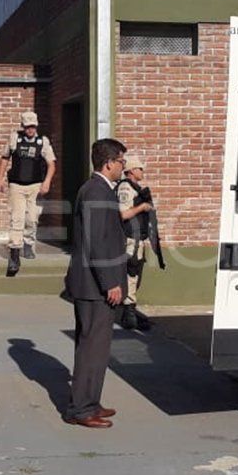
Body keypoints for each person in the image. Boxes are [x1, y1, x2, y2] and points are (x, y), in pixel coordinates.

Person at [62, 138, 129, 428]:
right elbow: (97, 242)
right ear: (109, 163)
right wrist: (110, 282)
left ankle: (90, 401)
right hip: (94, 286)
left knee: (96, 348)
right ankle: (81, 409)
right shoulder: (96, 191)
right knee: (92, 347)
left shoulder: (100, 189)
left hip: (94, 283)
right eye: (121, 161)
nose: (123, 166)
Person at [0, 111, 56, 276]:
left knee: (31, 219)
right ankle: (14, 255)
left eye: (33, 126)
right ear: (23, 126)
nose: (30, 130)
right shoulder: (15, 138)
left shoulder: (42, 142)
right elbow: (4, 158)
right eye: (27, 126)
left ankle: (29, 242)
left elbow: (51, 163)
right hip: (16, 185)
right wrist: (0, 178)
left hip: (35, 185)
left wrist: (47, 182)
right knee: (17, 219)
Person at [116, 156, 155, 331]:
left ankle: (130, 309)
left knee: (135, 274)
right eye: (140, 168)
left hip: (138, 238)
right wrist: (142, 207)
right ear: (131, 170)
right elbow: (123, 214)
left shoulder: (135, 188)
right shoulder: (125, 187)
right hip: (131, 238)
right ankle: (128, 313)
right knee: (131, 273)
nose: (142, 171)